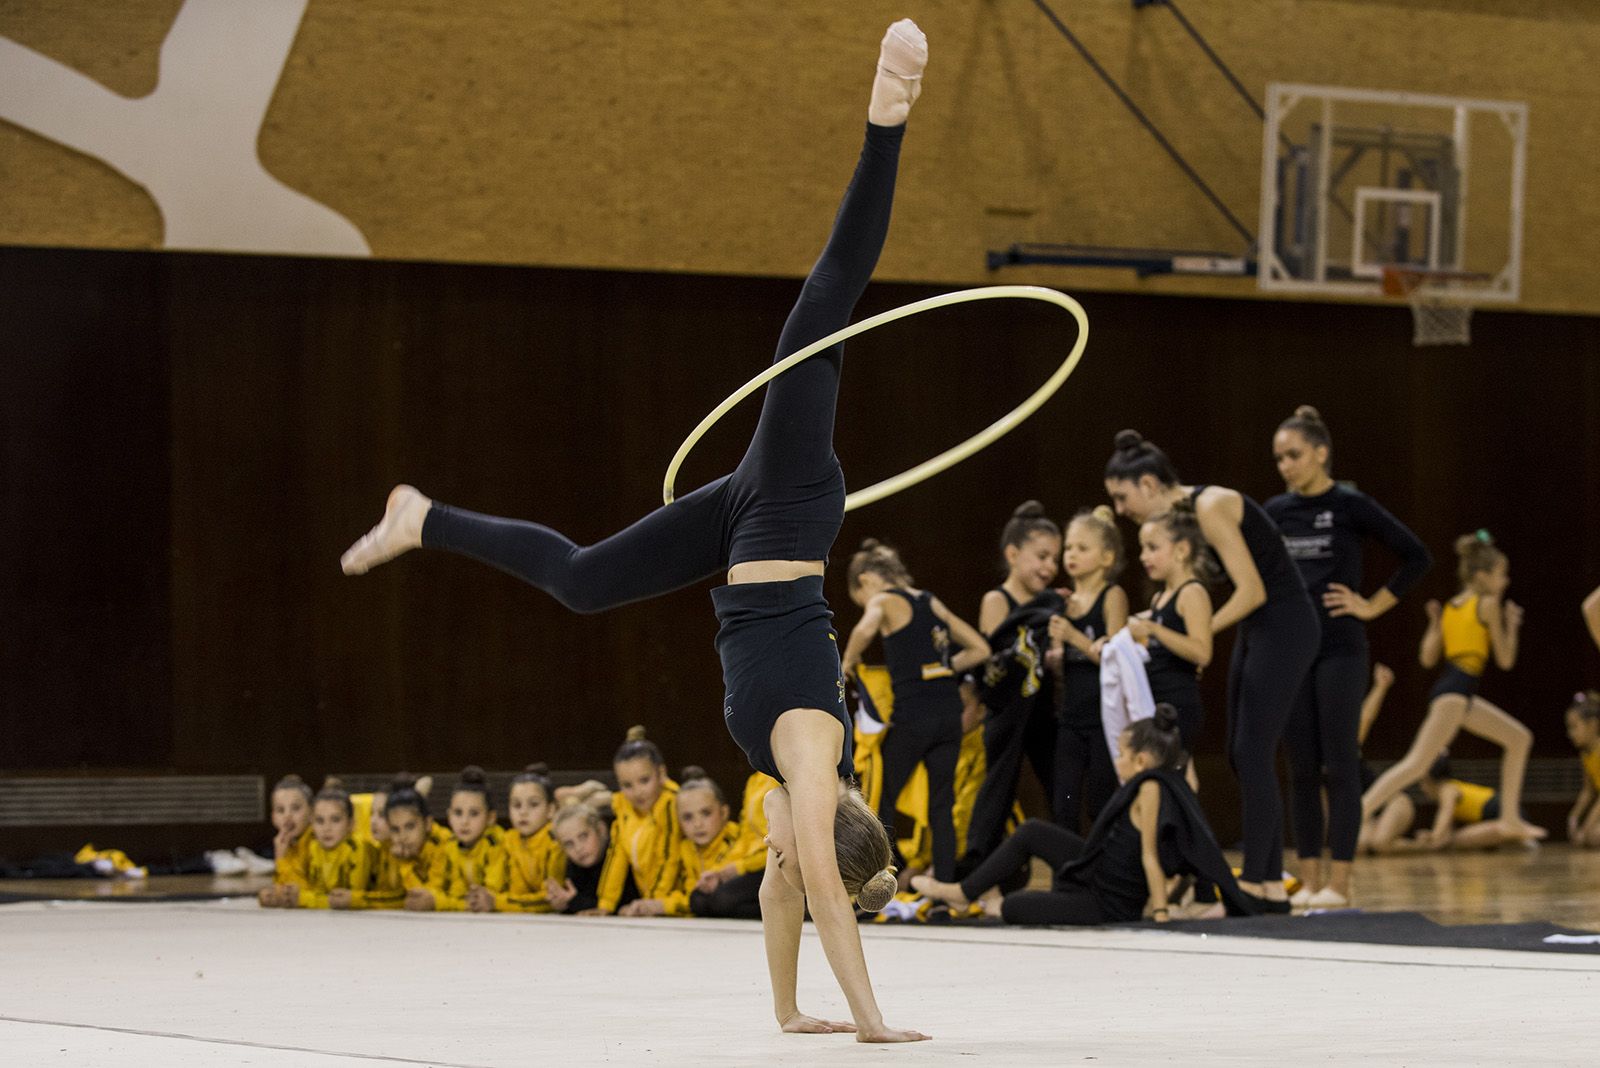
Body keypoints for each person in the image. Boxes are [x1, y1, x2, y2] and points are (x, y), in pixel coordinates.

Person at [339, 22, 931, 1041]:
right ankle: (887, 118)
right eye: (802, 853)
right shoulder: (808, 751)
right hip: (786, 506)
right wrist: (873, 1023)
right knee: (824, 306)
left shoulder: (783, 797)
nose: (781, 862)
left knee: (577, 581)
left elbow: (785, 893)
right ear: (819, 829)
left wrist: (793, 1013)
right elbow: (821, 891)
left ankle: (423, 516)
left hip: (737, 543)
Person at [1105, 430, 1319, 910]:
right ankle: (1259, 876)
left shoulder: (1210, 506)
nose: (1120, 510)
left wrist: (1193, 638)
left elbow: (1253, 590)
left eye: (1122, 497)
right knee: (1241, 753)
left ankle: (1264, 882)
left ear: (1148, 483)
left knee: (1253, 749)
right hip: (1258, 628)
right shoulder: (1186, 517)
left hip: (1285, 622)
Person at [1265, 405, 1431, 908]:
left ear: (1321, 454)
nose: (1286, 465)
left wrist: (1370, 605)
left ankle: (1341, 883)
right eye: (1278, 458)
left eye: (1294, 455)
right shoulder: (1274, 512)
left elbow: (1416, 556)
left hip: (1340, 650)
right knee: (1301, 768)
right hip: (1293, 654)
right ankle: (1310, 881)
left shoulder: (1349, 505)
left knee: (1340, 766)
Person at [910, 705, 1254, 924]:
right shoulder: (1160, 782)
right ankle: (963, 891)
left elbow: (1153, 856)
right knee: (1031, 831)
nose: (1116, 761)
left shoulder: (1152, 788)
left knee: (1015, 907)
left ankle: (978, 893)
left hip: (1110, 901)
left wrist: (1160, 913)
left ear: (1141, 762)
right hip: (1099, 869)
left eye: (1121, 754)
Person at [1360, 532, 1544, 845]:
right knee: (1416, 764)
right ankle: (1359, 812)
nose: (1505, 581)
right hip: (1456, 694)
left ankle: (1510, 818)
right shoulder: (1487, 604)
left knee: (1518, 738)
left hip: (1455, 692)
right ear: (1482, 576)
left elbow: (1427, 658)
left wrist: (1434, 624)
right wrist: (1511, 626)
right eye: (1501, 575)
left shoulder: (1452, 607)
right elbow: (1505, 659)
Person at [841, 539, 989, 881]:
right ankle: (944, 891)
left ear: (865, 581)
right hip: (949, 715)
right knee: (942, 805)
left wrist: (849, 659)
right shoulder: (929, 600)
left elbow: (865, 628)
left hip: (914, 717)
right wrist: (942, 667)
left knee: (882, 799)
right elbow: (980, 648)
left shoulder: (882, 600)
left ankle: (877, 883)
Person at [960, 501, 1064, 870]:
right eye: (1041, 556)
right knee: (998, 789)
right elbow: (995, 663)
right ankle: (978, 867)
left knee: (1059, 785)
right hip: (1006, 713)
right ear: (1013, 554)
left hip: (1041, 710)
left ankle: (1071, 863)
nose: (1049, 567)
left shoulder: (1052, 604)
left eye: (1055, 558)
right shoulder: (997, 599)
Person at [1046, 506, 1129, 831]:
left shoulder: (1113, 595)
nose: (1071, 555)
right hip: (1070, 716)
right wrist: (1054, 653)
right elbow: (1060, 661)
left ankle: (1101, 875)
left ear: (1107, 557)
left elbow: (1117, 657)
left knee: (1100, 800)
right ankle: (1065, 876)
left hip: (1103, 719)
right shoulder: (1064, 601)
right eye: (1068, 547)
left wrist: (1075, 638)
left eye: (1082, 548)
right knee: (1063, 801)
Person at [1128, 503, 1213, 753]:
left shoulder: (1192, 592)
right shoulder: (1160, 597)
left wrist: (1154, 630)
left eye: (1152, 548)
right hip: (1156, 701)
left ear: (1181, 550)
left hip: (1179, 704)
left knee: (1171, 776)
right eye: (1143, 548)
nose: (1144, 557)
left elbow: (1202, 652)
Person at [600, 728, 682, 915]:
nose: (637, 792)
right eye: (627, 785)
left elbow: (669, 857)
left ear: (661, 773)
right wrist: (605, 904)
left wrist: (652, 902)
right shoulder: (623, 805)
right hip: (651, 901)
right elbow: (616, 856)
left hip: (676, 898)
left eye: (644, 780)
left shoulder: (670, 802)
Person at [423, 766, 510, 912]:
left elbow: (491, 892)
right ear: (448, 815)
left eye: (474, 813)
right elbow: (445, 890)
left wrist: (444, 903)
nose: (464, 822)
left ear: (490, 818)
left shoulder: (496, 844)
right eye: (458, 813)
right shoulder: (449, 845)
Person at [495, 764, 565, 912]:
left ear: (551, 809)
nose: (523, 812)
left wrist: (497, 903)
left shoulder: (555, 840)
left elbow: (550, 898)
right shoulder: (508, 839)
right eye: (516, 805)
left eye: (533, 804)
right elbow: (499, 887)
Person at [257, 774, 313, 908]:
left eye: (296, 808)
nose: (287, 816)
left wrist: (280, 859)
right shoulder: (286, 842)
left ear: (312, 812)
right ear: (273, 817)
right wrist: (274, 893)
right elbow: (284, 885)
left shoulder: (316, 842)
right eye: (280, 810)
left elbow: (299, 892)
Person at [1565, 691, 1600, 848]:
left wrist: (1586, 827)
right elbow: (1588, 791)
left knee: (1593, 837)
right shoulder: (1585, 754)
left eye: (1574, 727)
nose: (1570, 734)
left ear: (1592, 725)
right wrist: (1573, 818)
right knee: (1590, 837)